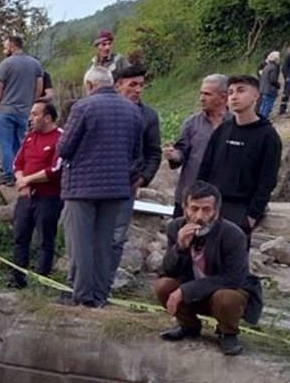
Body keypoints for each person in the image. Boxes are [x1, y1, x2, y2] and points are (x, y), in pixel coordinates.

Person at [56, 66, 143, 308]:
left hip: (82, 186)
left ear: (90, 85)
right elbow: (137, 153)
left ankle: (82, 296)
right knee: (105, 244)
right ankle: (100, 295)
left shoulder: (82, 107)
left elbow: (64, 148)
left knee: (80, 244)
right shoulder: (133, 111)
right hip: (116, 187)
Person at [154, 181, 263, 357]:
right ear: (185, 208)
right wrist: (180, 248)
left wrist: (185, 291)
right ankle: (188, 326)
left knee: (226, 298)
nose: (199, 216)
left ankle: (227, 333)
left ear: (216, 211)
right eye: (194, 209)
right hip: (193, 291)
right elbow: (167, 270)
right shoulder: (175, 228)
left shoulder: (233, 235)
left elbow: (233, 278)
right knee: (163, 286)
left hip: (223, 292)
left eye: (206, 210)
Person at [197, 74, 283, 244]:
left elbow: (267, 180)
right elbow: (205, 168)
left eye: (241, 91)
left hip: (241, 209)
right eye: (230, 92)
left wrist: (252, 215)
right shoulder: (222, 130)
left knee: (232, 262)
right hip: (211, 206)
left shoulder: (268, 136)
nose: (234, 96)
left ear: (256, 95)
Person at [107, 64, 162, 290]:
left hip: (127, 185)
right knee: (89, 236)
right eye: (133, 85)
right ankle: (82, 283)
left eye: (141, 85)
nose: (138, 89)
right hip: (97, 184)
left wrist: (143, 179)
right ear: (117, 85)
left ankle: (105, 283)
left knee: (117, 237)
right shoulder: (104, 109)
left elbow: (154, 152)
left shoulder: (148, 116)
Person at [10, 101, 63, 289]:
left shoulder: (60, 138)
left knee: (45, 239)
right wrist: (21, 180)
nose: (31, 118)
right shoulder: (30, 138)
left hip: (49, 197)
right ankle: (17, 278)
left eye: (35, 114)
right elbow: (17, 163)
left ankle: (42, 280)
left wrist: (28, 180)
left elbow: (55, 170)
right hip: (26, 196)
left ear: (47, 117)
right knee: (20, 236)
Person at [166, 74, 230, 217]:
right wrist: (174, 155)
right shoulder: (192, 123)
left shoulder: (235, 125)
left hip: (221, 199)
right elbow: (181, 152)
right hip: (190, 197)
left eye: (207, 94)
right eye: (201, 93)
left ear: (223, 97)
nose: (201, 98)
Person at [0, 35, 44, 187]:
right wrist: (31, 104)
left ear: (13, 46)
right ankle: (22, 171)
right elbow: (39, 87)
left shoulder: (6, 63)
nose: (4, 49)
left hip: (5, 110)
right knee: (21, 144)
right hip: (24, 111)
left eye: (6, 46)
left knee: (5, 144)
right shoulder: (35, 64)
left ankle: (9, 174)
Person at [257, 51, 281, 119]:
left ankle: (260, 119)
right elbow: (273, 79)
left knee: (263, 106)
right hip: (270, 90)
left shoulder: (267, 66)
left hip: (263, 89)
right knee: (267, 107)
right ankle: (263, 121)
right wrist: (278, 85)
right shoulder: (274, 67)